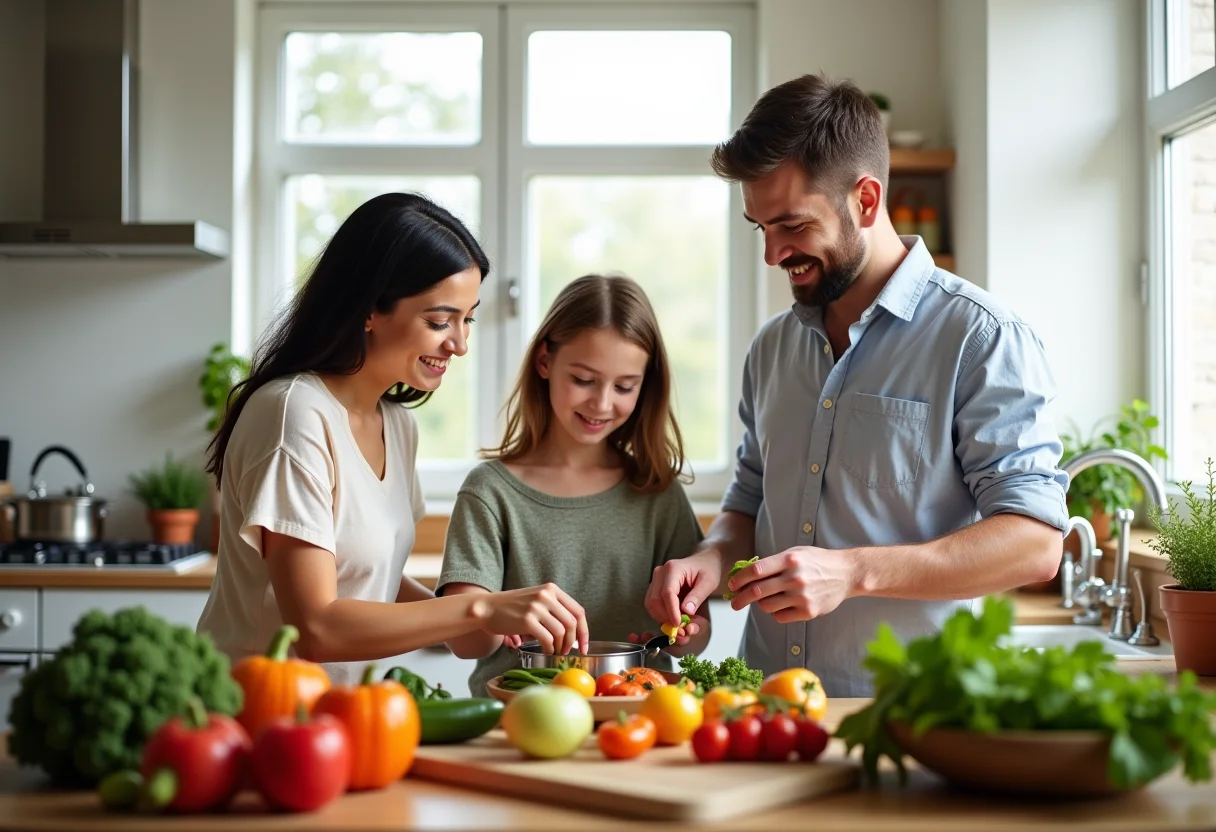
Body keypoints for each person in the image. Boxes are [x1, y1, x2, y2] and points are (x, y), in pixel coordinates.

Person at [645, 74, 1070, 697]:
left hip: (912, 717)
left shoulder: (981, 339)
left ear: (866, 201)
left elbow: (1034, 543)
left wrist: (852, 572)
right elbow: (750, 496)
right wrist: (711, 559)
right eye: (759, 227)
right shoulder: (772, 348)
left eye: (790, 225)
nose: (772, 254)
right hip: (768, 708)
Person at [196, 192, 589, 685]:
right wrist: (479, 612)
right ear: (369, 309)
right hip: (254, 718)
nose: (460, 344)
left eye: (468, 319)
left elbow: (366, 572)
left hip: (338, 717)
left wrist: (470, 621)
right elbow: (315, 627)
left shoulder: (397, 425)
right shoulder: (293, 413)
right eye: (439, 321)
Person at [437, 274, 708, 697]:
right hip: (520, 724)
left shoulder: (658, 492)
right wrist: (500, 616)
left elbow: (701, 630)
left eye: (624, 387)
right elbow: (465, 642)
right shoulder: (490, 491)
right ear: (545, 361)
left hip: (639, 720)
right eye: (583, 379)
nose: (601, 403)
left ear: (645, 385)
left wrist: (688, 629)